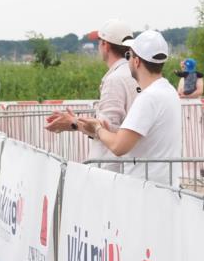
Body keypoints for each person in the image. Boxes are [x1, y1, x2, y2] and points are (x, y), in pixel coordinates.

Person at [77, 30, 182, 183]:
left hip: (145, 188)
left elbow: (119, 146)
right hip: (166, 183)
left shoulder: (148, 98)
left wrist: (97, 129)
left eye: (129, 57)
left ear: (137, 61)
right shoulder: (169, 91)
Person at [46, 19, 138, 170]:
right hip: (127, 165)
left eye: (99, 42)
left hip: (111, 168)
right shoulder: (134, 73)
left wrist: (74, 123)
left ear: (105, 45)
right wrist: (75, 121)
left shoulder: (115, 79)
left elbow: (106, 128)